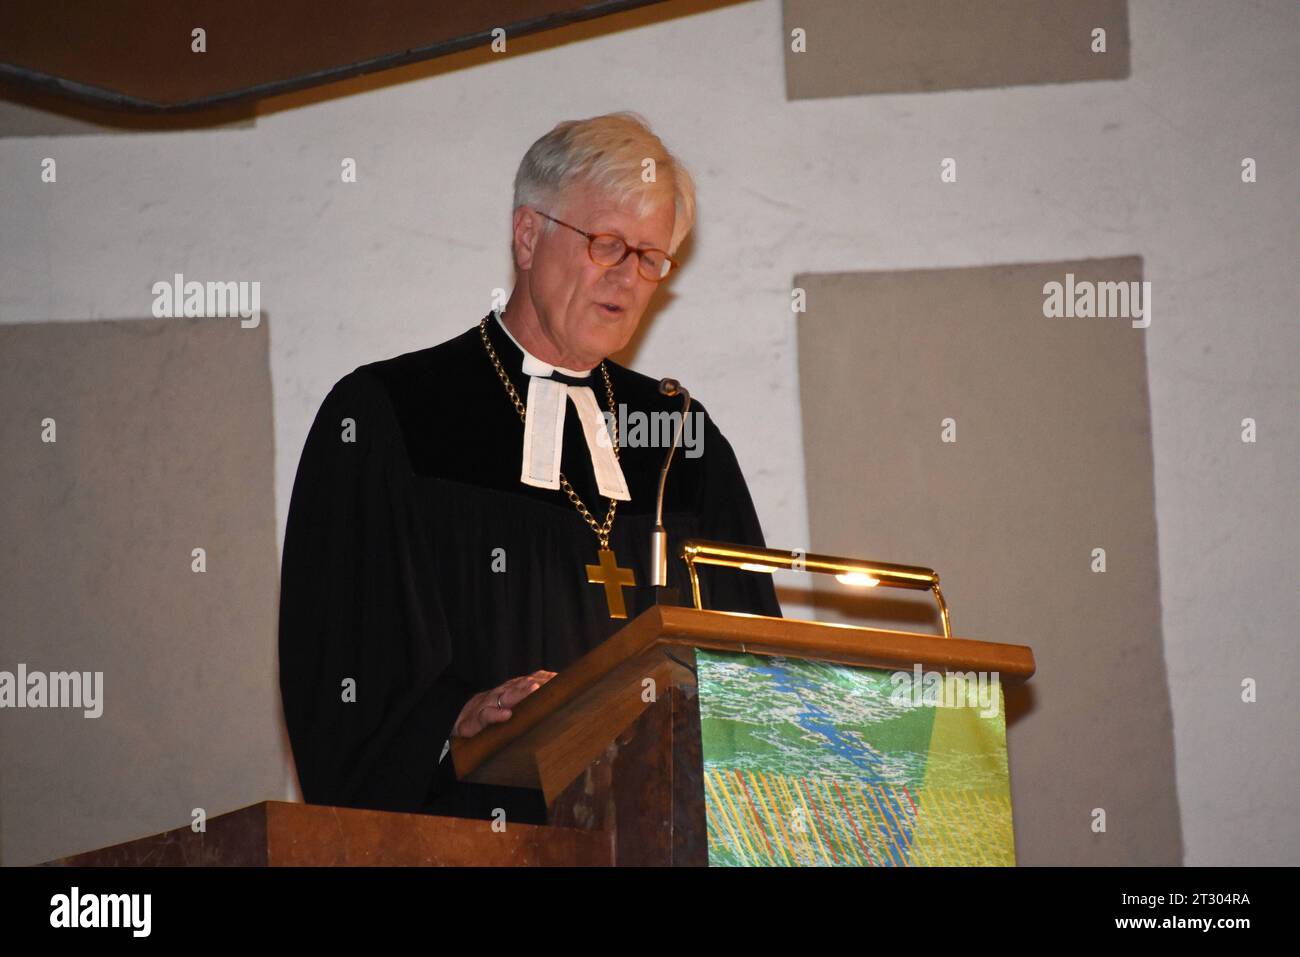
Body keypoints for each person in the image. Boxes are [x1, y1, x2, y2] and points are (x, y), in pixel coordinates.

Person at [278, 111, 781, 824]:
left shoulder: (679, 442)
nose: (629, 279)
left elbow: (752, 660)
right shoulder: (392, 417)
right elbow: (340, 671)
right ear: (527, 235)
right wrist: (457, 717)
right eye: (607, 244)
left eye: (650, 258)